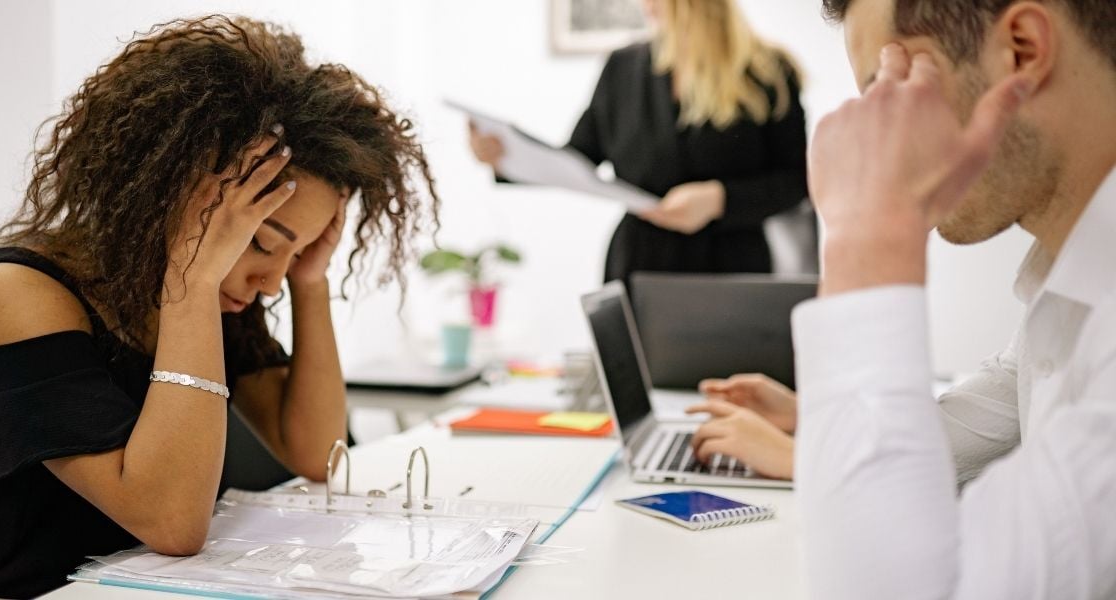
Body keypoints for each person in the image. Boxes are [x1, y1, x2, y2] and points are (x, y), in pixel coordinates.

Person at [0, 15, 438, 599]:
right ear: (179, 193)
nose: (270, 282)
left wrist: (310, 281)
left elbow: (318, 455)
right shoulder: (13, 294)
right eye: (263, 241)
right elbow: (171, 522)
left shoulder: (220, 296)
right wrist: (190, 283)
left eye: (292, 256)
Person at [794, 0, 1114, 597]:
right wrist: (809, 433)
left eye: (895, 87)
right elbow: (1006, 396)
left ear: (1020, 50)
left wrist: (867, 234)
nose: (882, 128)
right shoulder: (1077, 275)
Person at [468, 0, 808, 285]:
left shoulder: (768, 72)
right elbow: (578, 159)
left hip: (732, 271)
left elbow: (797, 181)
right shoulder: (622, 68)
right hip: (639, 266)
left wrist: (719, 199)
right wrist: (506, 156)